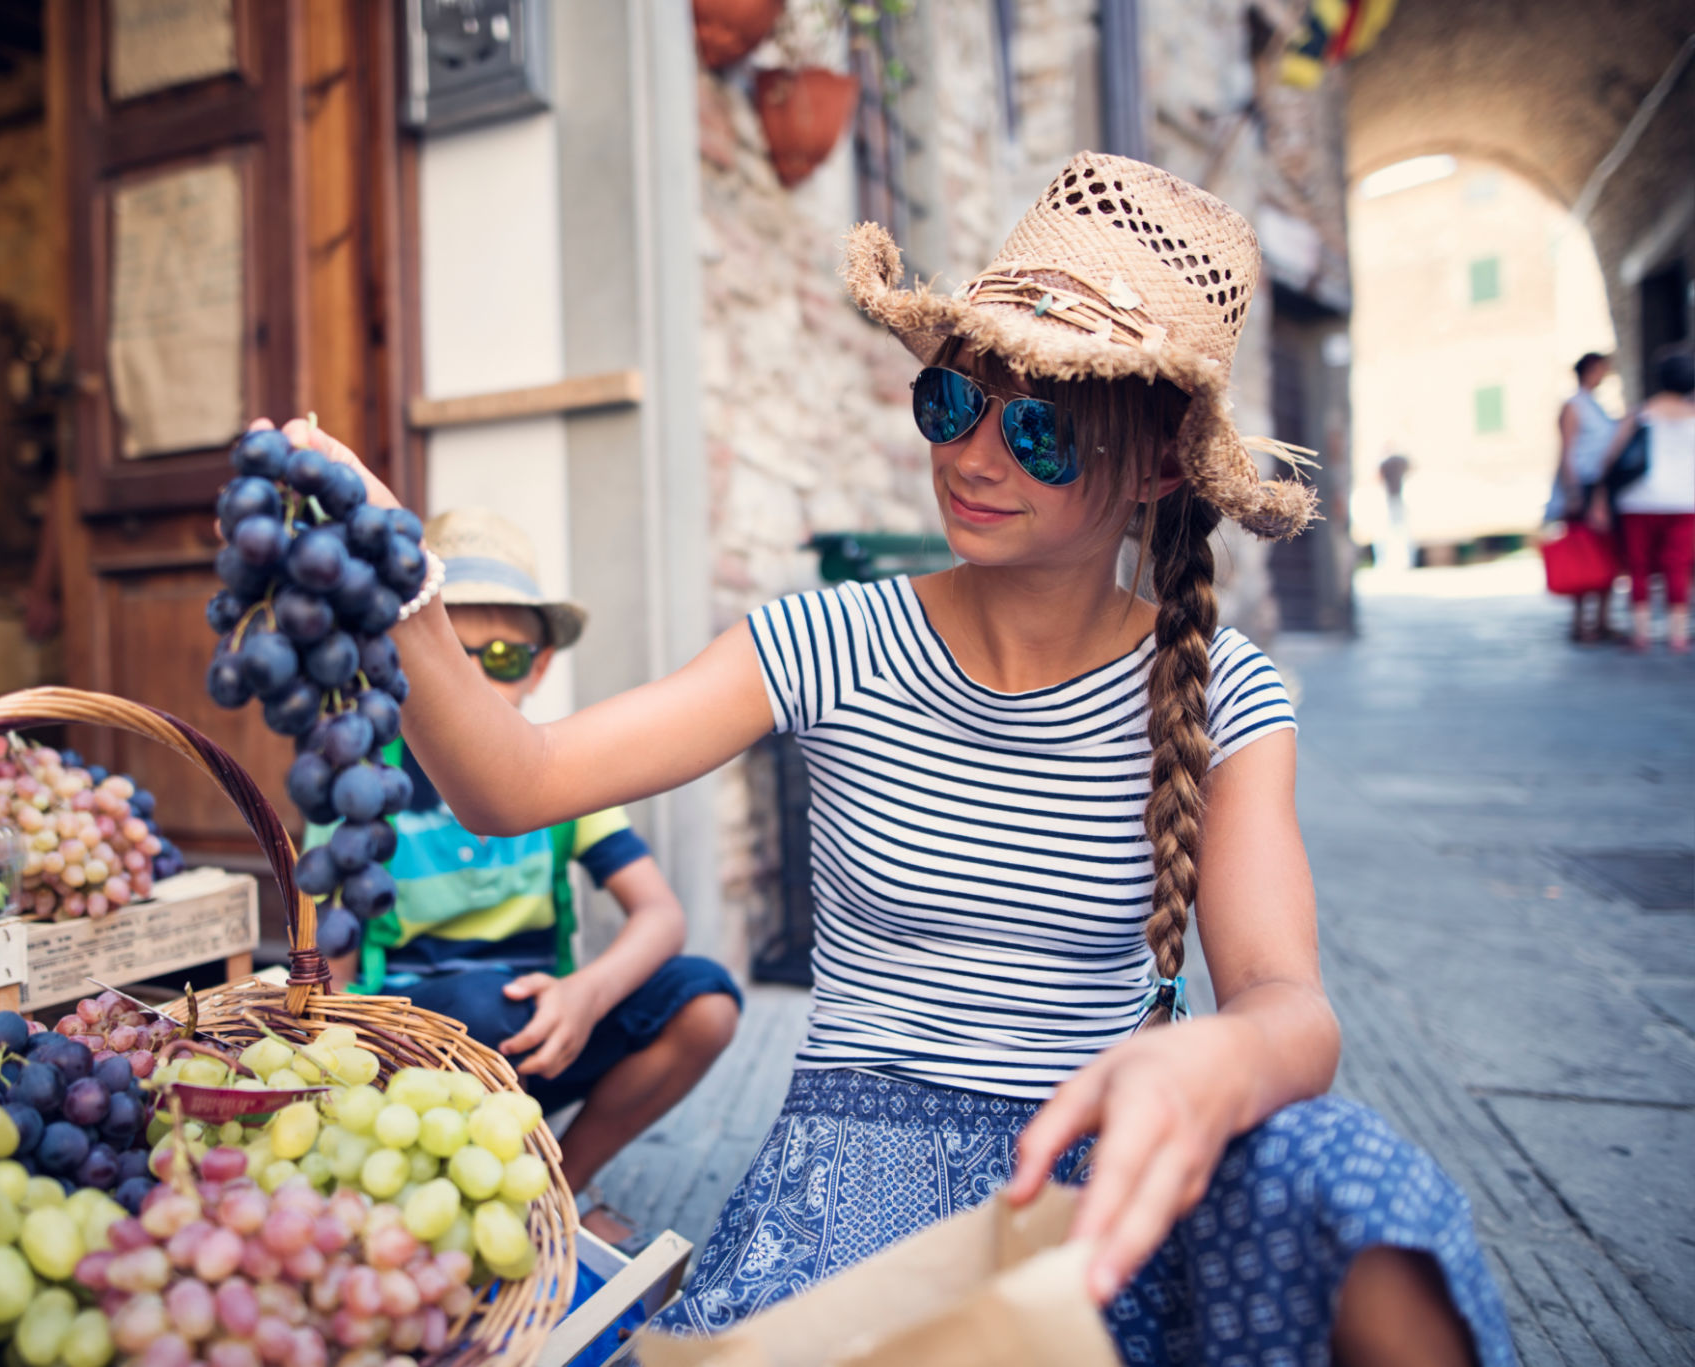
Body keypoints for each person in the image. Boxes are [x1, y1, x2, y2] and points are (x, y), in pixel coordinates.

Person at [262, 152, 1514, 1366]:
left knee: (1354, 1187)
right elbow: (512, 784)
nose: (971, 457)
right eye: (950, 402)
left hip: (1106, 1149)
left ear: (1149, 466)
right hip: (849, 1169)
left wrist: (1212, 1055)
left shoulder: (1226, 691)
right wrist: (396, 578)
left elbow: (1287, 1003)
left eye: (1040, 430)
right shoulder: (824, 638)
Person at [307, 508, 742, 1225]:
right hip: (423, 1049)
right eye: (447, 654)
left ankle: (557, 1188)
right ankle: (505, 1196)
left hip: (547, 1025)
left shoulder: (564, 776)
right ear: (397, 661)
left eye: (503, 658)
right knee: (482, 1002)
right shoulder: (362, 783)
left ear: (539, 666)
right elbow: (336, 963)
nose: (474, 680)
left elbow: (660, 914)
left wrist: (588, 992)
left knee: (706, 1001)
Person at [1600, 349, 1695, 653]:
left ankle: (1641, 634)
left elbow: (1611, 458)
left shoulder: (1640, 414)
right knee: (1678, 565)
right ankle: (1677, 635)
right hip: (1685, 501)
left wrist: (1600, 499)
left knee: (1638, 565)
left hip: (1639, 500)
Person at [1553, 352, 1620, 642]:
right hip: (1583, 487)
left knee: (1607, 554)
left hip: (1603, 487)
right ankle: (1581, 623)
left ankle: (1602, 621)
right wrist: (1573, 491)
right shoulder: (1574, 406)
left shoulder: (1598, 407)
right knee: (1582, 554)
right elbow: (1568, 452)